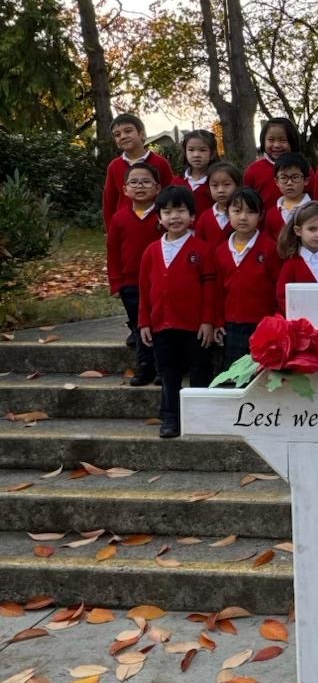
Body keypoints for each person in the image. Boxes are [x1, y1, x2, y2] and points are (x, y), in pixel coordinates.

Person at [138, 185, 215, 439]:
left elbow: (210, 289)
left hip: (195, 326)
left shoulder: (202, 249)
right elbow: (145, 289)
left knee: (199, 370)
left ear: (192, 215)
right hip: (162, 325)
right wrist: (144, 322)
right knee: (168, 372)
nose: (174, 217)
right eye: (168, 212)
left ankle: (201, 417)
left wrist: (208, 321)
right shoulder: (151, 251)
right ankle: (170, 417)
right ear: (159, 217)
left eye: (180, 211)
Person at [106, 162, 162, 386]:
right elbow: (113, 252)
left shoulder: (163, 216)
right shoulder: (119, 218)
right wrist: (116, 283)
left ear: (157, 188)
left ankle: (162, 369)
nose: (140, 186)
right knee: (140, 327)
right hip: (130, 283)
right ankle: (145, 367)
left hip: (159, 283)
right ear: (125, 189)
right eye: (134, 182)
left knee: (160, 325)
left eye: (146, 182)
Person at [212, 188, 280, 367]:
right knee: (234, 373)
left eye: (250, 212)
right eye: (237, 211)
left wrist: (277, 319)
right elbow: (217, 291)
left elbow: (278, 287)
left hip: (263, 323)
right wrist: (217, 321)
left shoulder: (270, 248)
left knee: (261, 371)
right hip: (231, 324)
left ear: (261, 215)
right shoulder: (221, 251)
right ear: (227, 213)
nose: (243, 217)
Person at [102, 113, 173, 227]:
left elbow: (170, 196)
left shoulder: (160, 163)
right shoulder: (114, 166)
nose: (123, 136)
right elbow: (109, 201)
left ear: (142, 134)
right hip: (124, 225)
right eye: (117, 134)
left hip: (156, 225)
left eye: (128, 131)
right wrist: (111, 229)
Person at [276, 201, 318, 315]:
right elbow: (282, 295)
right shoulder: (291, 263)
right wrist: (299, 316)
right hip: (300, 322)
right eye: (312, 229)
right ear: (298, 231)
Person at [243, 117, 302, 208]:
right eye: (271, 140)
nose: (277, 145)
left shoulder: (302, 168)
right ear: (263, 141)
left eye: (283, 140)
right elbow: (245, 201)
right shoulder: (253, 170)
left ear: (292, 142)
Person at [264, 152, 312, 239]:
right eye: (283, 178)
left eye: (295, 177)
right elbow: (269, 242)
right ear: (276, 181)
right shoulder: (271, 214)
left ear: (306, 180)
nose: (289, 183)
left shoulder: (316, 210)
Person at [195, 161, 241, 248]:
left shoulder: (242, 215)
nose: (220, 190)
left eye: (226, 184)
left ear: (237, 185)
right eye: (215, 185)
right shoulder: (205, 217)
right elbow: (198, 244)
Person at [172, 129, 217, 216]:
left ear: (212, 154)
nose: (196, 155)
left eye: (202, 150)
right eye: (191, 150)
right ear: (185, 152)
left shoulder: (218, 182)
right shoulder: (176, 182)